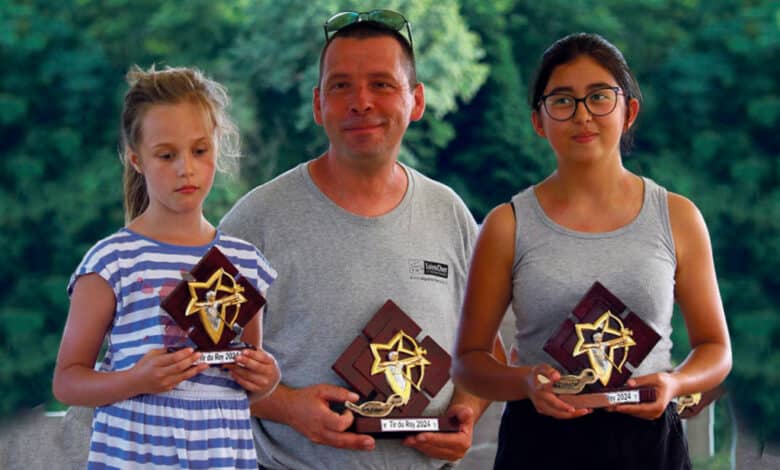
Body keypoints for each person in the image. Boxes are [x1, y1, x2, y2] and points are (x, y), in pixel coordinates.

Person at [220, 9, 503, 470]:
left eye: (382, 84)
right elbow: (197, 358)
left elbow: (488, 349)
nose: (361, 102)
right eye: (340, 86)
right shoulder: (258, 220)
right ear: (317, 104)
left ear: (416, 100)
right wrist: (285, 405)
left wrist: (466, 412)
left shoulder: (448, 212)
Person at [451, 33, 731, 469]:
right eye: (562, 101)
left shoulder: (677, 216)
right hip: (539, 444)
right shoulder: (506, 224)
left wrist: (675, 384)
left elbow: (716, 348)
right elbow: (468, 362)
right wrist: (525, 381)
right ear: (538, 121)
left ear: (629, 111)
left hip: (649, 443)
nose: (582, 116)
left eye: (599, 97)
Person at [52, 66, 281, 469]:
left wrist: (266, 379)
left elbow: (249, 380)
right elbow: (67, 382)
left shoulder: (244, 264)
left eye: (199, 150)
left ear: (218, 148)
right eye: (166, 155)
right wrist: (136, 380)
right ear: (135, 159)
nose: (185, 169)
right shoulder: (111, 261)